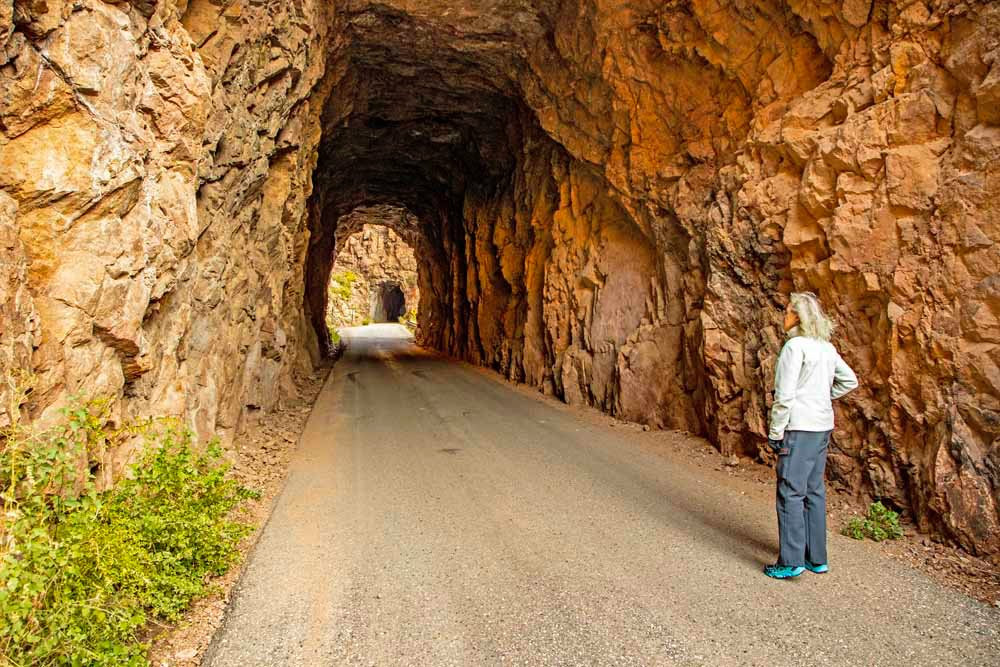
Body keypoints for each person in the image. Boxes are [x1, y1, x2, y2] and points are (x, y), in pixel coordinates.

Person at [763, 292, 858, 579]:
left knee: (790, 491)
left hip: (799, 427)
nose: (784, 316)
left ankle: (791, 561)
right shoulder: (826, 348)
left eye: (788, 311)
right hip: (822, 426)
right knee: (813, 490)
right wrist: (820, 396)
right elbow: (850, 380)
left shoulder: (795, 347)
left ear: (798, 317)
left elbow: (785, 396)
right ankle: (816, 558)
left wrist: (775, 431)